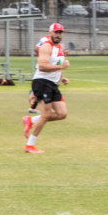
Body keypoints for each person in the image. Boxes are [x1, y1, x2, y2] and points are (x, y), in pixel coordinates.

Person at [22, 22, 70, 154]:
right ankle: (30, 145)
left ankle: (31, 120)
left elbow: (55, 65)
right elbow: (43, 66)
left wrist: (62, 77)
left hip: (53, 84)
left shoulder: (59, 48)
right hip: (42, 82)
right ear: (50, 33)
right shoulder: (46, 46)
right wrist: (62, 67)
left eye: (60, 33)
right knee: (47, 114)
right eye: (56, 32)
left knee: (62, 114)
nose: (58, 35)